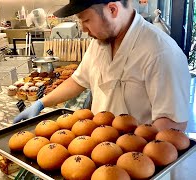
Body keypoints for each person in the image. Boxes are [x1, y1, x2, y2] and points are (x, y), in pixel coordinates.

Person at [14, 0, 191, 132]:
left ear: (112, 10)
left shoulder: (161, 53)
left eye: (86, 20)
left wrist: (136, 155)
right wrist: (41, 103)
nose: (83, 29)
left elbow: (172, 124)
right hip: (101, 149)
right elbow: (78, 81)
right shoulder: (100, 42)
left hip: (134, 160)